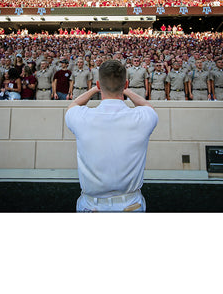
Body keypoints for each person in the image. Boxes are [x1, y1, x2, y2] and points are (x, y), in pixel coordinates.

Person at [65, 60, 158, 212]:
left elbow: (73, 105)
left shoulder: (81, 116)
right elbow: (148, 106)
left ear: (99, 84)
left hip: (91, 206)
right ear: (126, 84)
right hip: (130, 204)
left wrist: (95, 89)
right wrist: (125, 90)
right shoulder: (142, 117)